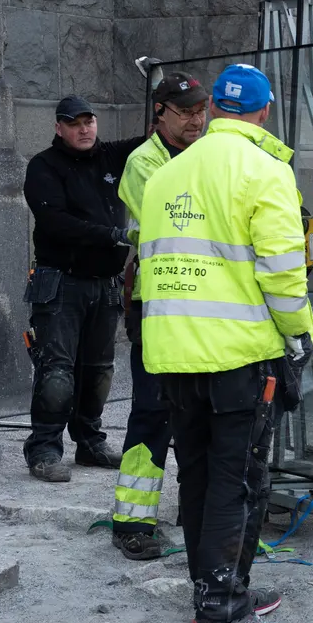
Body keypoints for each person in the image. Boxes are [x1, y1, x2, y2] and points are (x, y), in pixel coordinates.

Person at [138, 64, 313, 623]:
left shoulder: (166, 175)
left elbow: (153, 266)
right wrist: (298, 335)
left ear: (215, 107)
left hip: (172, 353)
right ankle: (221, 599)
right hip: (239, 357)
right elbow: (284, 274)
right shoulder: (266, 172)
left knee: (194, 471)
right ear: (264, 113)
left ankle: (207, 585)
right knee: (237, 476)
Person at [109, 72, 209, 560]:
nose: (196, 118)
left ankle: (198, 510)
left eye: (201, 109)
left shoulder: (205, 156)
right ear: (161, 112)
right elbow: (170, 224)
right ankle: (132, 519)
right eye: (186, 110)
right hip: (157, 306)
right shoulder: (143, 163)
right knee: (152, 412)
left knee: (201, 411)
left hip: (202, 304)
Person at [21, 95, 147, 482]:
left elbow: (157, 138)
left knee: (98, 372)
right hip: (60, 282)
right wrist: (113, 235)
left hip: (105, 285)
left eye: (89, 121)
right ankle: (44, 449)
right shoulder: (44, 166)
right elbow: (56, 221)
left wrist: (163, 97)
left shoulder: (110, 156)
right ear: (59, 127)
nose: (84, 129)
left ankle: (90, 444)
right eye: (74, 123)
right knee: (57, 372)